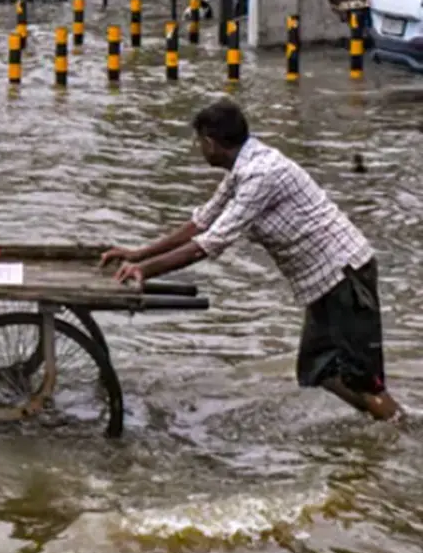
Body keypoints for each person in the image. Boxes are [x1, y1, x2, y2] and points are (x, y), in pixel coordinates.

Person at [100, 98, 402, 421]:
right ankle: (381, 429)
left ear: (210, 142)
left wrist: (145, 270)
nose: (199, 148)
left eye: (199, 141)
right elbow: (202, 222)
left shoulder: (261, 175)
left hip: (345, 274)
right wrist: (138, 254)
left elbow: (210, 243)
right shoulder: (241, 169)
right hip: (323, 282)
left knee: (364, 380)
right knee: (315, 370)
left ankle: (399, 428)